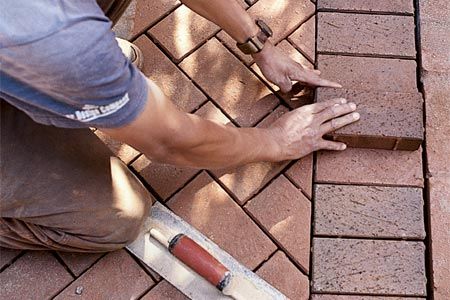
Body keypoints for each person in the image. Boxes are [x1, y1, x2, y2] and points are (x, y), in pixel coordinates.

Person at [0, 0, 359, 252]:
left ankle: (63, 86)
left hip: (35, 46)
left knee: (99, 73)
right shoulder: (56, 39)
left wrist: (259, 44)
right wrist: (277, 141)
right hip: (40, 44)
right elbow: (170, 142)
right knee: (120, 218)